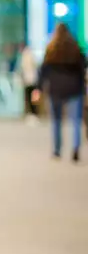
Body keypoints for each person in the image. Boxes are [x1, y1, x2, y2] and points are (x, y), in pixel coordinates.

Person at [38, 23, 86, 162]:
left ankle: (57, 150)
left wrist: (39, 87)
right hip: (74, 88)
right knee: (76, 120)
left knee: (57, 121)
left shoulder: (51, 49)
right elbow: (82, 68)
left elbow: (44, 70)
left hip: (56, 89)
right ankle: (76, 147)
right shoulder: (75, 49)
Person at [19, 45, 40, 122]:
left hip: (31, 80)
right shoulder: (28, 55)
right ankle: (32, 114)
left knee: (31, 98)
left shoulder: (27, 55)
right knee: (31, 98)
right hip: (30, 80)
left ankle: (33, 114)